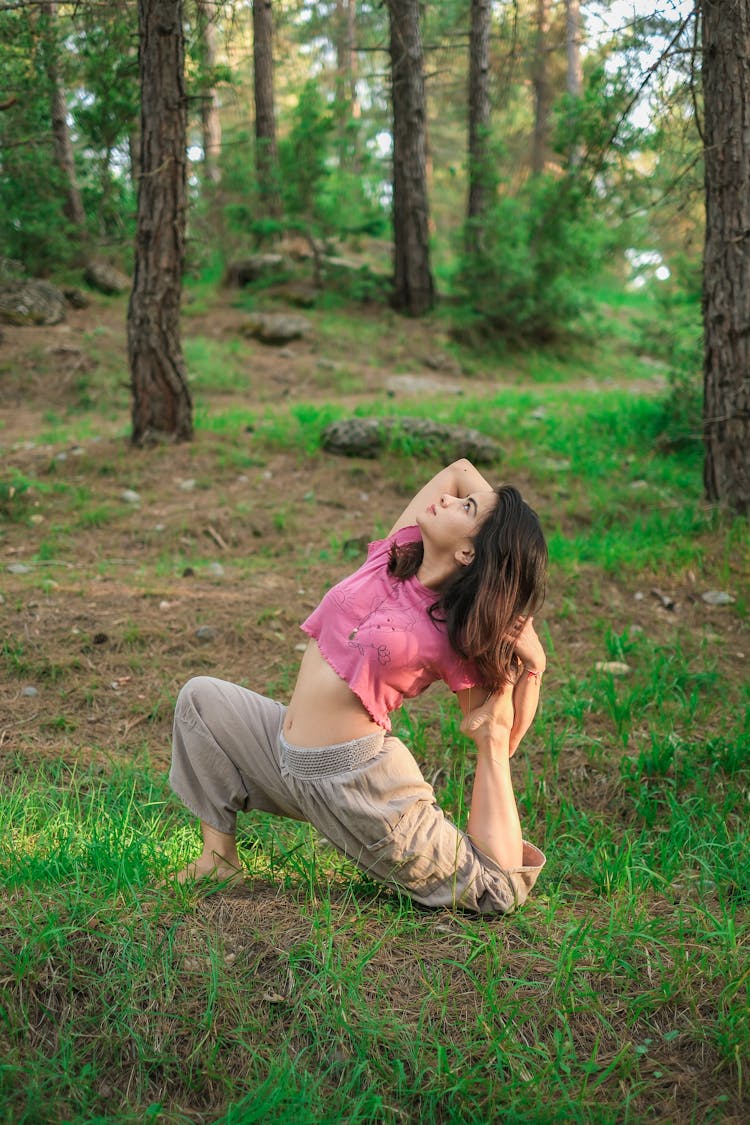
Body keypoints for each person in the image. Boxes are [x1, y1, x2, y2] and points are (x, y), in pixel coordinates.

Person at [169, 458, 548, 914]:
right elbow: (460, 469)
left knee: (494, 891)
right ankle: (218, 859)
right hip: (284, 756)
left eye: (463, 508)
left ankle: (490, 869)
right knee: (201, 700)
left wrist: (535, 665)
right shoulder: (394, 556)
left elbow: (500, 736)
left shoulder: (457, 632)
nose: (445, 498)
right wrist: (493, 519)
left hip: (360, 787)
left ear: (469, 553)